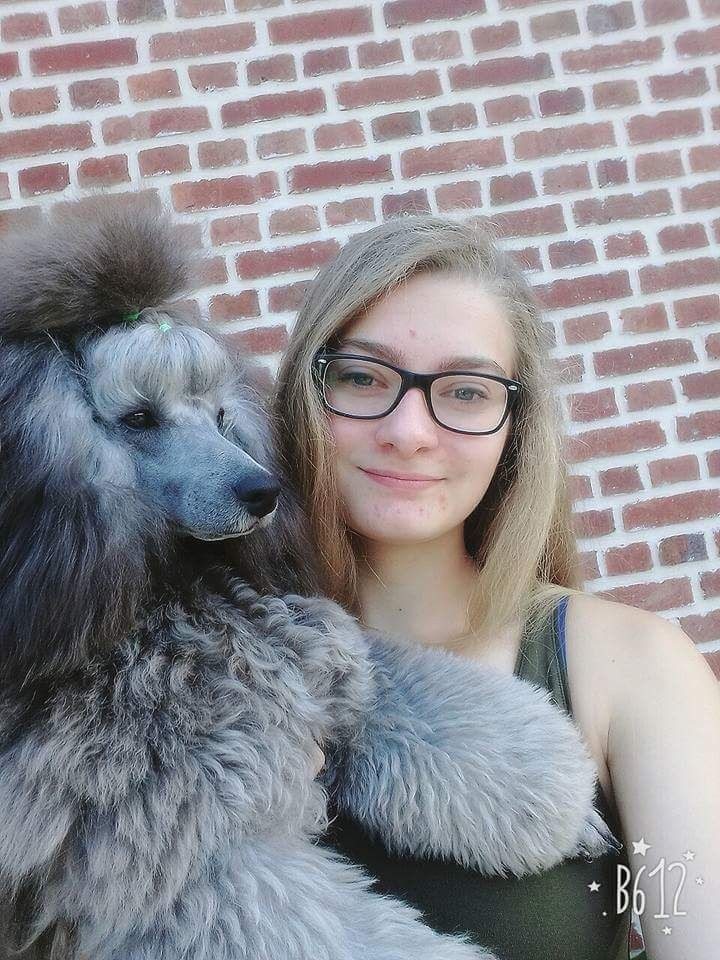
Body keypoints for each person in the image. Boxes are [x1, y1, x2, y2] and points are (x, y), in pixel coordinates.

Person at [271, 215, 720, 960]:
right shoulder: (192, 670)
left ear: (515, 426)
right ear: (305, 394)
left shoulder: (629, 667)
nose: (409, 431)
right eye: (361, 377)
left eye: (466, 392)